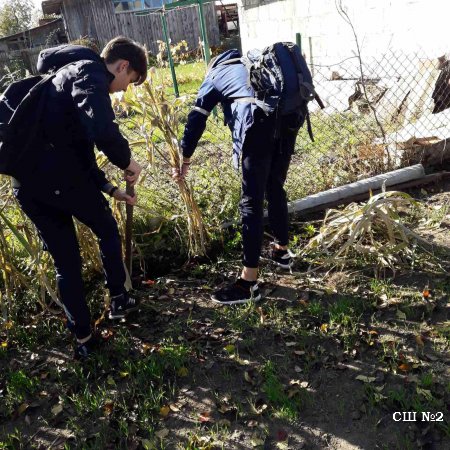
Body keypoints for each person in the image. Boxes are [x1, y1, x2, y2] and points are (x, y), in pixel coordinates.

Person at [12, 36, 147, 358]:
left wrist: (111, 189)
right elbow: (101, 129)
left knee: (66, 263)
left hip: (29, 187)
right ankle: (118, 298)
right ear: (122, 66)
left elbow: (74, 149)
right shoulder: (90, 72)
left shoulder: (62, 76)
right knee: (105, 230)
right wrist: (128, 162)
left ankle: (84, 340)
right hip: (62, 183)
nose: (125, 89)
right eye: (130, 81)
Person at [175, 48, 305, 305]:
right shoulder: (250, 64)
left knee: (251, 202)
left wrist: (185, 156)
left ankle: (248, 282)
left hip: (258, 123)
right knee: (275, 186)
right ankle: (281, 252)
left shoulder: (215, 74)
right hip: (289, 117)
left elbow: (196, 118)